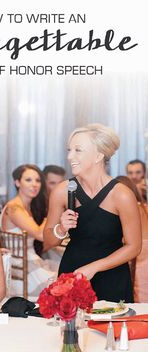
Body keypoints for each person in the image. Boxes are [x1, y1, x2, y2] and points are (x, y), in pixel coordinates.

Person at [44, 123, 142, 302]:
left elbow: (134, 247)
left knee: (111, 329)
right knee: (71, 329)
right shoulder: (62, 191)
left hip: (112, 277)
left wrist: (94, 267)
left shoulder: (121, 195)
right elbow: (48, 242)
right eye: (69, 150)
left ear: (98, 155)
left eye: (78, 150)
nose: (69, 156)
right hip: (72, 274)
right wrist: (61, 229)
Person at [0, 164, 56, 298]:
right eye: (28, 180)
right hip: (20, 264)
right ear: (17, 182)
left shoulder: (27, 206)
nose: (34, 185)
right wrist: (52, 212)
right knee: (60, 283)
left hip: (30, 259)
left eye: (38, 180)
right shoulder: (14, 207)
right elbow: (40, 235)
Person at [116, 175, 148, 303]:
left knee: (140, 295)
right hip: (143, 254)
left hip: (139, 257)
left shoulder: (129, 209)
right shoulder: (143, 207)